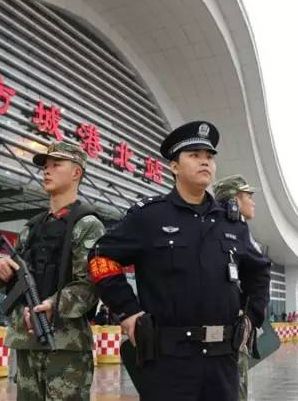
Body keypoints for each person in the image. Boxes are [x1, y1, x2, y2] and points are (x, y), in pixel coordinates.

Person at [88, 121, 271, 401]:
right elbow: (100, 259)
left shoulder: (231, 224)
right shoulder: (149, 217)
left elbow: (259, 270)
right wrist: (128, 312)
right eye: (194, 155)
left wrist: (252, 317)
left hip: (223, 362)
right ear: (174, 166)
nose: (204, 162)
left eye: (209, 157)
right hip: (167, 362)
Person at [0, 142, 105, 401]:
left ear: (76, 173)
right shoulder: (31, 228)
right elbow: (10, 276)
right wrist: (0, 267)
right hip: (26, 338)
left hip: (65, 341)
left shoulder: (88, 225)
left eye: (56, 165)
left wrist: (53, 304)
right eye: (45, 166)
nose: (46, 171)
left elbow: (90, 283)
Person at [213, 174, 264, 401]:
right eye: (247, 196)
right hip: (223, 334)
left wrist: (251, 315)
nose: (252, 202)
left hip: (235, 331)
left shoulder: (240, 233)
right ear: (233, 200)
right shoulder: (224, 231)